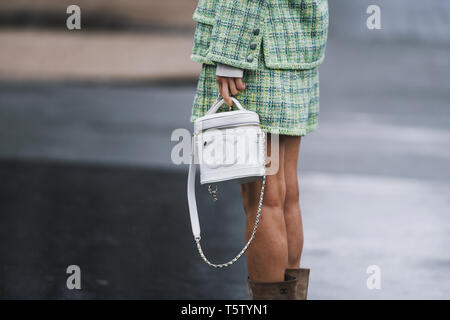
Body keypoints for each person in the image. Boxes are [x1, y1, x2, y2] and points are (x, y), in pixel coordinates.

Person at [190, 0, 329, 300]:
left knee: (264, 195)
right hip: (292, 39)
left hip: (258, 46)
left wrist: (231, 53)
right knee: (285, 193)